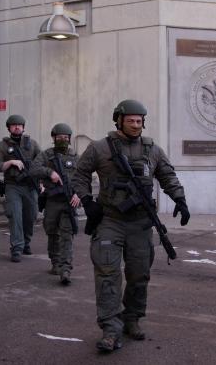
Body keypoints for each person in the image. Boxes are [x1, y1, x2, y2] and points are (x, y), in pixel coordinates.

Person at [71, 99, 190, 352]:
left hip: (141, 224)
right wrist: (86, 200)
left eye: (139, 121)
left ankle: (131, 318)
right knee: (107, 275)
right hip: (110, 221)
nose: (136, 125)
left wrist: (179, 198)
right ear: (119, 120)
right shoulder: (100, 148)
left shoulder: (153, 150)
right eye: (131, 121)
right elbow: (79, 175)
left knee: (139, 275)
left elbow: (167, 175)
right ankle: (110, 329)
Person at [30, 123, 80, 285]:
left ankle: (66, 269)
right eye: (59, 137)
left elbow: (84, 178)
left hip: (69, 202)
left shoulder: (75, 158)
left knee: (67, 235)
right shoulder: (46, 155)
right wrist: (49, 172)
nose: (63, 140)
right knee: (52, 232)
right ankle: (55, 262)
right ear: (53, 138)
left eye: (66, 138)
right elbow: (33, 169)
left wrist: (79, 195)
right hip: (52, 201)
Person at [0, 114, 41, 263]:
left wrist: (43, 182)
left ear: (24, 127)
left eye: (20, 125)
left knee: (31, 216)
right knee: (15, 216)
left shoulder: (32, 144)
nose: (17, 127)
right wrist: (11, 162)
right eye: (14, 125)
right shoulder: (3, 145)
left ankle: (26, 242)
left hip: (30, 186)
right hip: (12, 186)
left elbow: (43, 163)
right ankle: (17, 248)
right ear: (9, 128)